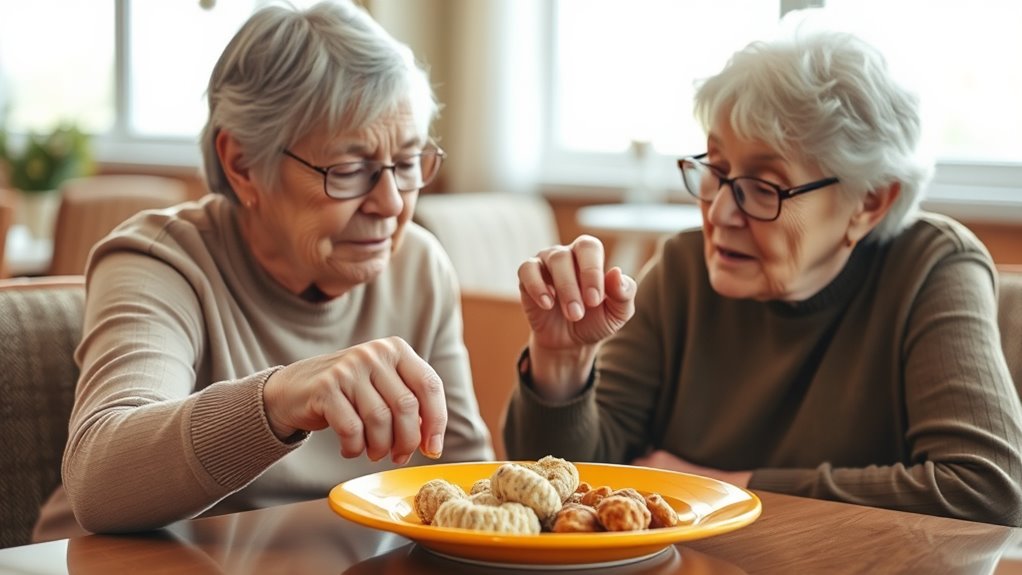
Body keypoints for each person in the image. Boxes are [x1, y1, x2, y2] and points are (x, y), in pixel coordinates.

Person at [504, 29, 1022, 526]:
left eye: (762, 185)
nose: (721, 213)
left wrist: (728, 487)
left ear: (869, 201)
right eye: (717, 168)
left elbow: (986, 489)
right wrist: (562, 361)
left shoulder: (930, 268)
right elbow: (563, 491)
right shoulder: (683, 269)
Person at [34, 1, 493, 540]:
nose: (391, 203)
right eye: (349, 170)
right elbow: (101, 480)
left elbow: (464, 484)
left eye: (409, 162)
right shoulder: (160, 259)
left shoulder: (417, 264)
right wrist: (279, 399)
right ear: (243, 163)